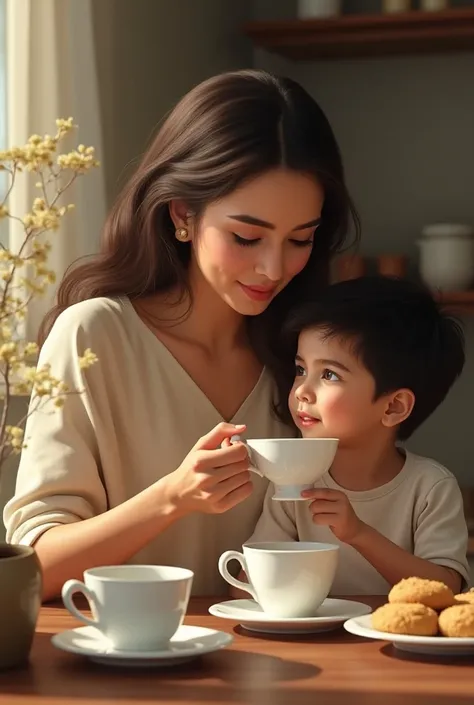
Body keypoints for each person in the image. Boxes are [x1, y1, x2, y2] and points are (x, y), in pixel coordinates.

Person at [3, 69, 359, 601]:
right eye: (246, 236)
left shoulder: (308, 359)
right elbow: (37, 569)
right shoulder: (94, 336)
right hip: (132, 671)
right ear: (182, 215)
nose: (272, 267)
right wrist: (172, 497)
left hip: (285, 667)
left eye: (300, 239)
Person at [247, 275, 470, 595]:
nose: (302, 392)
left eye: (329, 374)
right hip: (314, 642)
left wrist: (358, 533)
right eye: (300, 370)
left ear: (393, 406)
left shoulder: (430, 488)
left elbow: (447, 589)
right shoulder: (295, 480)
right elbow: (247, 586)